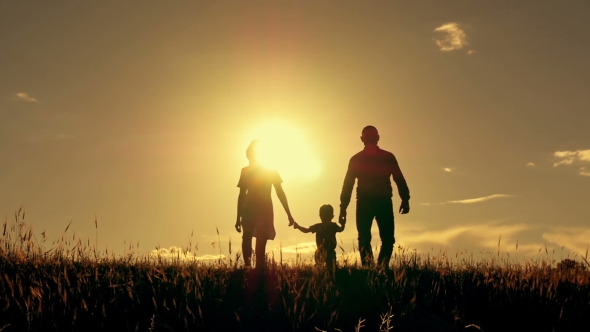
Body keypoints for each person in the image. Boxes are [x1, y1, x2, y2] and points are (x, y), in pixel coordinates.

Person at [339, 125, 410, 270]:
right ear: (363, 139)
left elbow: (399, 178)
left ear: (377, 138)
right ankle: (370, 270)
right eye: (368, 136)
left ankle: (380, 269)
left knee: (385, 239)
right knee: (367, 239)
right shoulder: (357, 160)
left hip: (381, 202)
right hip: (368, 203)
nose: (371, 139)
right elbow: (348, 185)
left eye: (372, 136)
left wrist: (405, 198)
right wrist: (343, 207)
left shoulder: (386, 157)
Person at [235, 140, 295, 269]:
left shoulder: (271, 171)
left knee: (260, 241)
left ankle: (259, 268)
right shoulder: (245, 171)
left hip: (264, 208)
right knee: (247, 237)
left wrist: (289, 214)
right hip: (249, 207)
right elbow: (241, 195)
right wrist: (238, 217)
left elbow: (280, 192)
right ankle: (248, 267)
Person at [292, 204, 345, 270]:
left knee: (330, 268)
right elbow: (306, 230)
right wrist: (298, 226)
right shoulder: (323, 226)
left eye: (326, 216)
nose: (325, 219)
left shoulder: (330, 226)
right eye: (324, 216)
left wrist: (343, 224)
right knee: (321, 267)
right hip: (321, 251)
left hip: (329, 252)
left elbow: (306, 230)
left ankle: (325, 276)